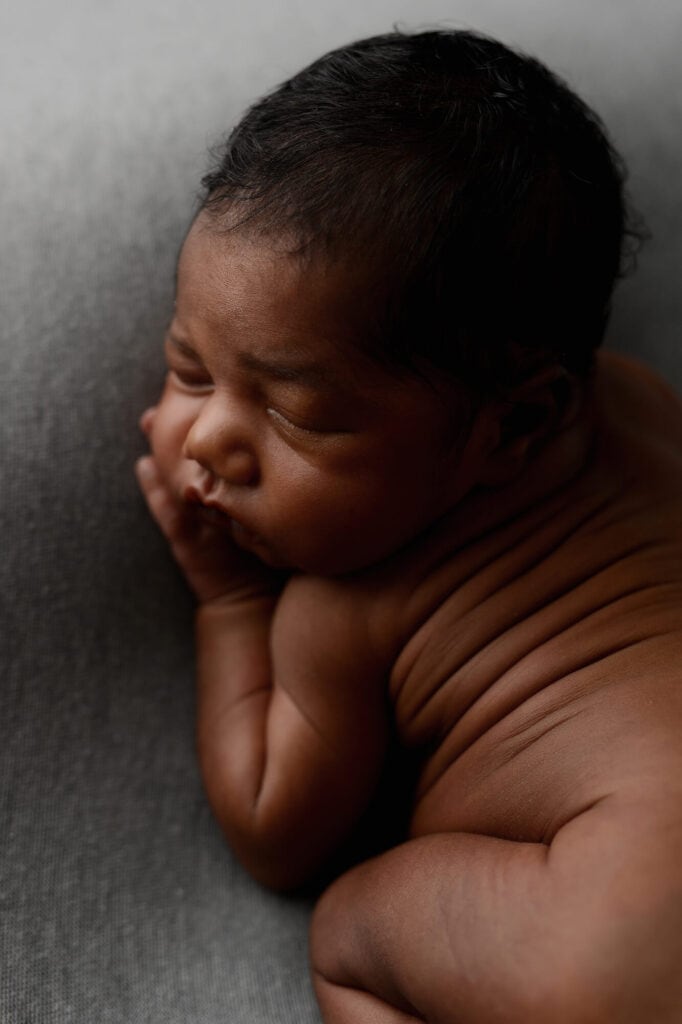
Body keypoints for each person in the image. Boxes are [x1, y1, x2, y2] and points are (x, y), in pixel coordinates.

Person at [135, 28, 682, 1023]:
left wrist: (232, 602)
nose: (206, 441)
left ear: (514, 422)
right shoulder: (645, 405)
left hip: (612, 938)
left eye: (295, 412)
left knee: (348, 927)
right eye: (189, 368)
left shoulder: (343, 607)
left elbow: (274, 832)